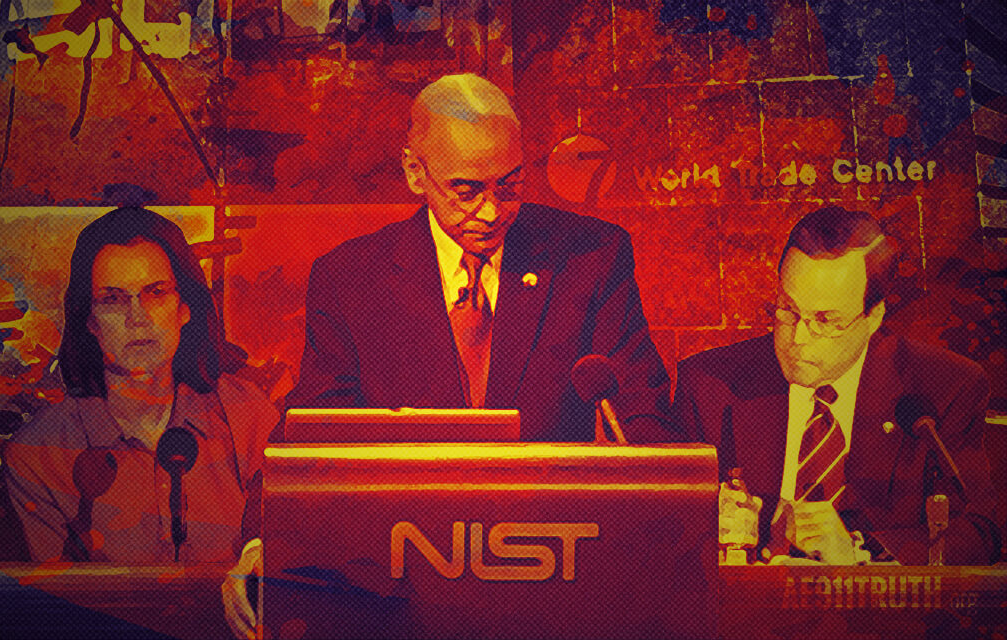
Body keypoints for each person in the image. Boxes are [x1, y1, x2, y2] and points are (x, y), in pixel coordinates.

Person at [284, 73, 672, 442]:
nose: (491, 213)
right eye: (466, 192)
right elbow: (318, 432)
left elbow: (641, 409)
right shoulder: (349, 279)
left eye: (510, 186)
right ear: (415, 172)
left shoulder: (591, 256)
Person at [672, 207, 1000, 565]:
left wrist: (860, 552)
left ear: (873, 317)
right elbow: (667, 525)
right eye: (788, 310)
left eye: (826, 321)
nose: (798, 338)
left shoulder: (944, 386)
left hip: (879, 600)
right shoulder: (709, 385)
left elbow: (977, 531)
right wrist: (711, 524)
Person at [1, 207, 277, 630]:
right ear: (89, 321)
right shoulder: (39, 455)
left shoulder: (248, 415)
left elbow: (291, 558)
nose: (137, 317)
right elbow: (58, 613)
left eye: (156, 293)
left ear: (185, 308)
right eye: (113, 300)